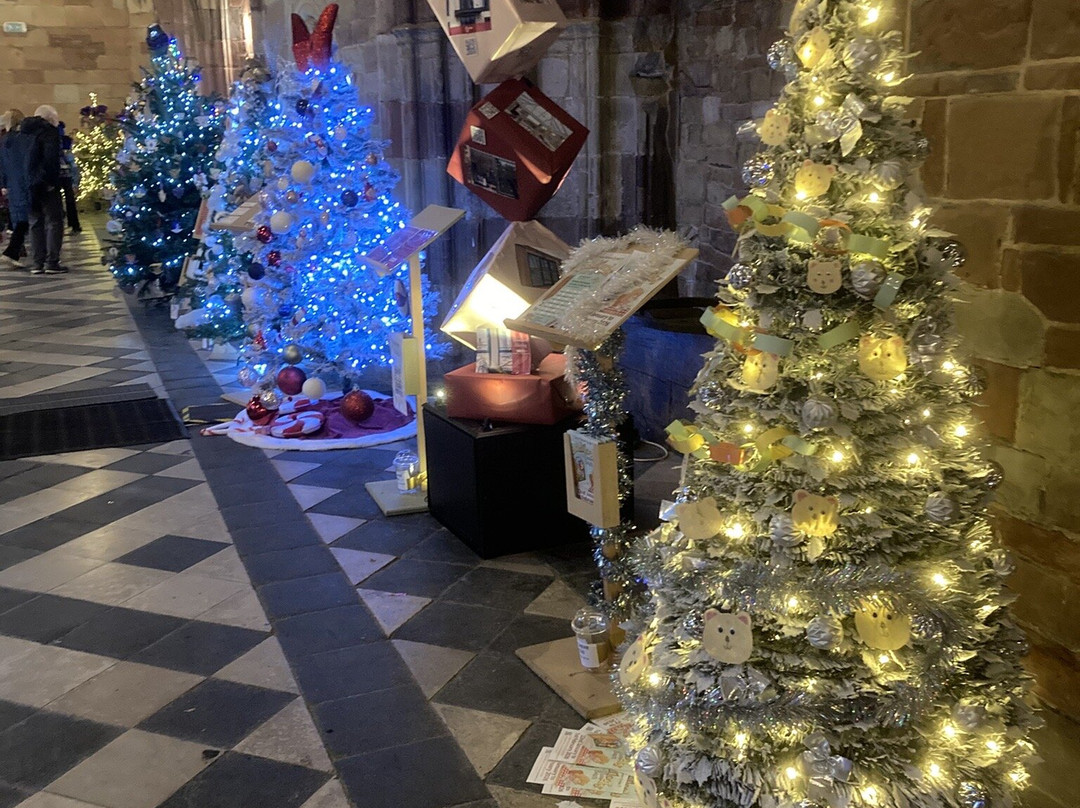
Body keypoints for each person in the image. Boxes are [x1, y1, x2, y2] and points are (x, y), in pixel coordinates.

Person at [22, 105, 67, 275]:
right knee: (54, 220)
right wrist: (52, 181)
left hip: (28, 184)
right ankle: (52, 262)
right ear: (49, 119)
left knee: (35, 221)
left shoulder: (24, 132)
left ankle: (37, 263)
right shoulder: (49, 132)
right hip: (45, 182)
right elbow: (50, 159)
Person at [0, 109, 30, 268]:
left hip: (12, 184)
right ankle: (12, 251)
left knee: (18, 217)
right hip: (23, 182)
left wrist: (3, 184)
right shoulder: (23, 140)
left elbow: (2, 165)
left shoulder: (4, 140)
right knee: (25, 218)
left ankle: (17, 250)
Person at [57, 122, 81, 234]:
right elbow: (73, 164)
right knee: (69, 201)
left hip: (58, 174)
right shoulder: (66, 142)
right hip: (65, 174)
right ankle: (74, 224)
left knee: (61, 201)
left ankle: (65, 224)